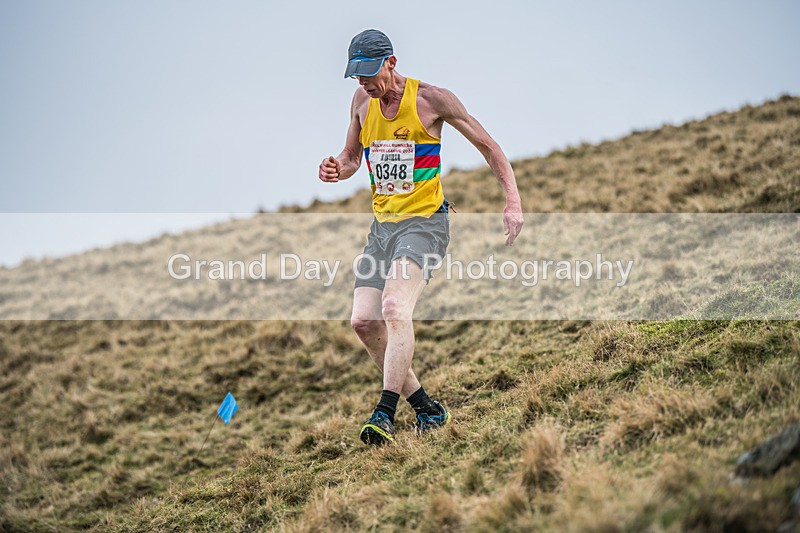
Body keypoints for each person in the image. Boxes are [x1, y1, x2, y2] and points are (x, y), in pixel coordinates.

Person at [318, 29, 523, 446]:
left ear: (391, 62)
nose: (364, 84)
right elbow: (354, 156)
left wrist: (513, 201)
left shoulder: (432, 100)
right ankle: (428, 409)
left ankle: (385, 414)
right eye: (356, 77)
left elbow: (489, 146)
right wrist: (338, 166)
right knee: (363, 321)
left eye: (370, 75)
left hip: (425, 224)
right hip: (382, 229)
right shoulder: (361, 102)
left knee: (395, 306)